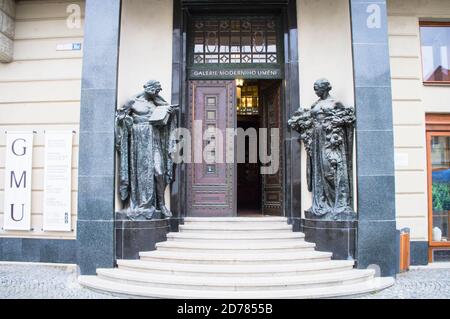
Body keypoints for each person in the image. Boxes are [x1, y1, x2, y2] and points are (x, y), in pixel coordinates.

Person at [289, 79, 356, 220]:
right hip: (317, 140)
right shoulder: (315, 104)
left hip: (329, 139)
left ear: (325, 88)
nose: (315, 91)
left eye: (317, 88)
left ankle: (337, 204)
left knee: (330, 169)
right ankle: (321, 203)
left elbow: (345, 121)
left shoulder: (335, 103)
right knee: (318, 170)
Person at [115, 80, 178, 220]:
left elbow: (165, 115)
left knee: (159, 171)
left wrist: (169, 112)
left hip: (154, 138)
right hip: (140, 140)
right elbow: (120, 119)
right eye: (155, 90)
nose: (157, 93)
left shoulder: (156, 101)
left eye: (158, 90)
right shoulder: (132, 101)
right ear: (147, 88)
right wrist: (125, 121)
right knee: (142, 172)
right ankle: (143, 203)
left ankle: (161, 204)